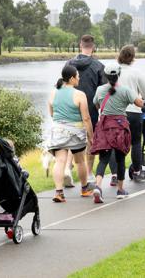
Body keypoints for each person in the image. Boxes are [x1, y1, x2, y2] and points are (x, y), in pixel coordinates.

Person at [91, 63, 144, 202]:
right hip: (120, 127)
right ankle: (120, 190)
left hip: (104, 126)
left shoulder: (99, 90)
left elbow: (96, 105)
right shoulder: (125, 90)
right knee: (121, 160)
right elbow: (139, 103)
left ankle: (97, 186)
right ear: (118, 75)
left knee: (103, 160)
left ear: (106, 76)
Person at [47, 65, 94, 202]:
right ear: (72, 78)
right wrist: (91, 136)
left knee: (60, 161)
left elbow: (51, 113)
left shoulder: (53, 93)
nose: (79, 78)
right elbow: (86, 118)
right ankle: (84, 189)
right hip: (76, 133)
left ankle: (59, 192)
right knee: (80, 161)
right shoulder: (79, 95)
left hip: (58, 131)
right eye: (78, 76)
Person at [68, 35, 106, 184]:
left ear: (80, 45)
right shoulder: (98, 66)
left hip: (71, 106)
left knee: (71, 139)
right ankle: (89, 173)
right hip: (91, 108)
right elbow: (102, 91)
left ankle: (68, 170)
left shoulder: (69, 64)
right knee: (91, 140)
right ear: (93, 47)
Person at [117, 45, 145, 181]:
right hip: (133, 111)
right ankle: (137, 171)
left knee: (116, 143)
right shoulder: (136, 73)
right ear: (132, 57)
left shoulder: (114, 71)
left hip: (116, 112)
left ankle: (115, 175)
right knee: (136, 142)